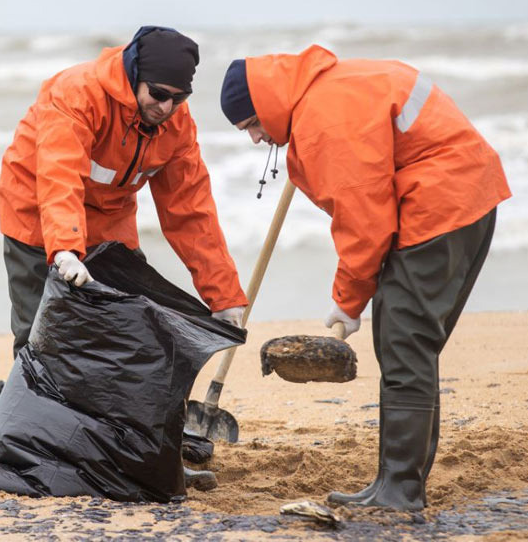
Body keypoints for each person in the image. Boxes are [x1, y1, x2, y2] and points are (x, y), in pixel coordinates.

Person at [219, 45, 511, 511]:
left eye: (252, 125)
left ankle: (400, 489)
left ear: (268, 106)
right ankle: (397, 482)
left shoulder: (325, 119)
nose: (255, 138)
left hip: (441, 205)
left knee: (404, 342)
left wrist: (347, 302)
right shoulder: (323, 95)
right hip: (459, 196)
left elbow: (364, 221)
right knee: (408, 343)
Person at [0, 26, 249, 357]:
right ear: (134, 75)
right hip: (36, 215)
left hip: (110, 223)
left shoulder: (176, 123)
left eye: (179, 98)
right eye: (158, 94)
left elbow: (190, 211)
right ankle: (33, 407)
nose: (166, 107)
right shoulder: (77, 93)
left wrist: (224, 297)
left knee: (126, 330)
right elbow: (60, 174)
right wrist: (65, 247)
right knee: (40, 334)